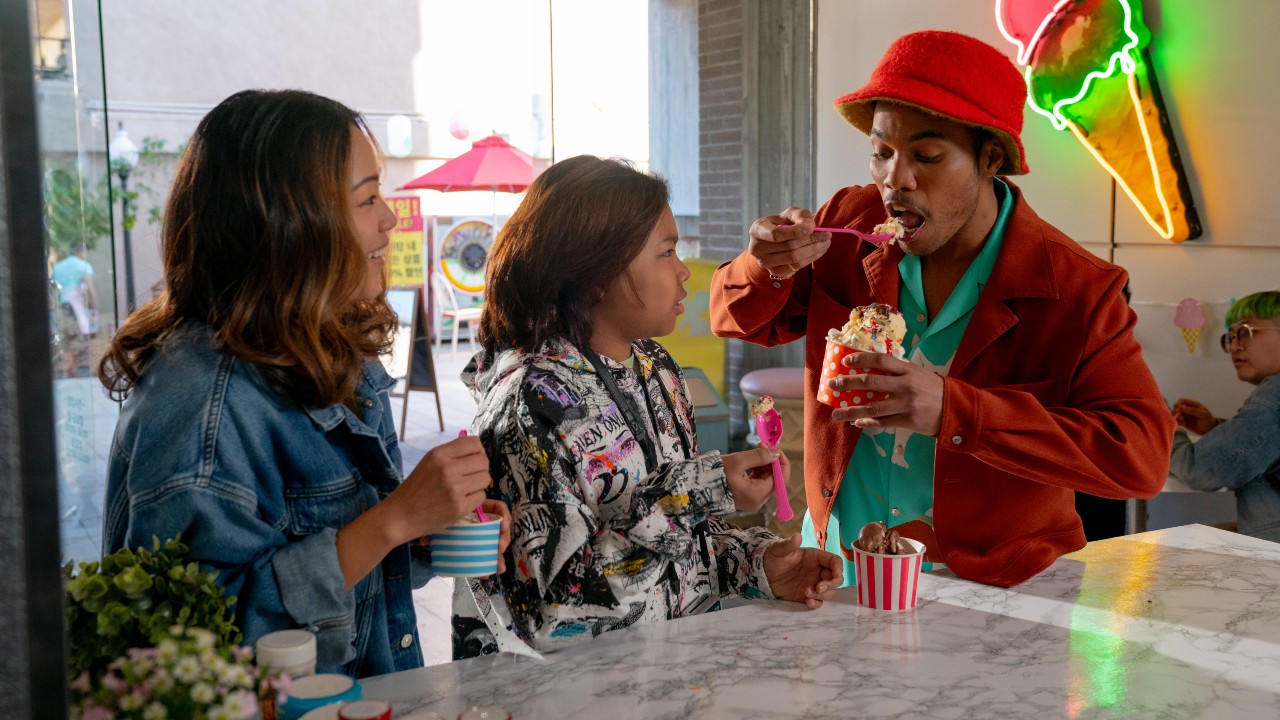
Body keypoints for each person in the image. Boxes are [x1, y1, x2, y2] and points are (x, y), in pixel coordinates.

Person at [710, 30, 1174, 588]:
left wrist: (956, 412)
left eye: (926, 156)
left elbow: (1141, 458)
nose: (895, 180)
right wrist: (764, 265)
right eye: (881, 152)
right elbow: (733, 318)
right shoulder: (848, 225)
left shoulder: (1076, 286)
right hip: (836, 572)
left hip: (992, 590)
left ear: (991, 158)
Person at [98, 89, 511, 678]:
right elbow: (194, 649)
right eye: (367, 199)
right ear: (288, 227)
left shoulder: (326, 352)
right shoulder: (204, 403)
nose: (390, 219)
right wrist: (393, 520)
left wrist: (426, 527)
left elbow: (348, 558)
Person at [452, 155, 842, 658]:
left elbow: (682, 545)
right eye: (666, 252)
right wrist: (697, 492)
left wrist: (758, 565)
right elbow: (552, 613)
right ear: (596, 274)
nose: (684, 272)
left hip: (671, 672)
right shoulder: (530, 403)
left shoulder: (656, 368)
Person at [1169, 291, 1280, 542]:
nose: (1233, 346)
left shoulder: (1274, 395)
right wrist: (1214, 428)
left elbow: (1199, 470)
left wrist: (1164, 428)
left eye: (1246, 332)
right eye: (1230, 337)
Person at [51, 248, 97, 377]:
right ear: (81, 251)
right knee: (80, 338)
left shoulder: (58, 267)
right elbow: (90, 289)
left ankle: (70, 369)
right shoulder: (84, 266)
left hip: (62, 305)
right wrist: (95, 308)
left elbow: (53, 289)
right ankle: (73, 368)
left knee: (67, 338)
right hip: (76, 306)